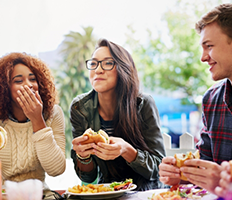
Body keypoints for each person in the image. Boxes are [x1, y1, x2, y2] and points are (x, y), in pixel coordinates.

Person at [159, 3, 232, 195]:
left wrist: (228, 181)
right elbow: (206, 163)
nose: (203, 57)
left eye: (209, 46)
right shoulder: (211, 99)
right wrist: (180, 174)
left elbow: (220, 179)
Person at [69, 38, 165, 191]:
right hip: (107, 192)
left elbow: (158, 168)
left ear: (123, 69)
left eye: (107, 63)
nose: (98, 70)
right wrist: (83, 156)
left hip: (145, 193)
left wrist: (127, 150)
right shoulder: (79, 108)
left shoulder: (143, 103)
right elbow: (87, 177)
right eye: (93, 63)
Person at [0, 52, 66, 199]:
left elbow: (56, 170)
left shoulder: (53, 114)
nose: (29, 85)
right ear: (4, 88)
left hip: (41, 195)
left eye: (33, 79)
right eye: (18, 81)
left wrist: (37, 120)